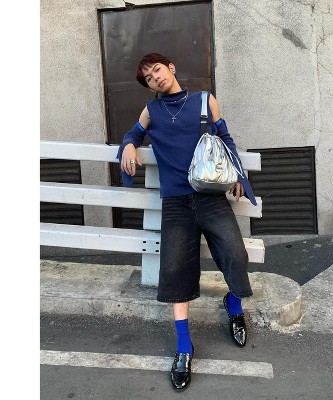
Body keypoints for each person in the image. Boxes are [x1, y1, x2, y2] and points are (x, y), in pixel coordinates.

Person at [117, 53, 257, 391]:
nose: (155, 77)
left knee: (235, 253)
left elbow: (226, 139)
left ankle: (233, 303)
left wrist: (239, 175)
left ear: (171, 68)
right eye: (148, 78)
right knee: (175, 268)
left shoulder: (205, 101)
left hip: (209, 195)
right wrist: (129, 145)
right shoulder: (151, 111)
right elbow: (133, 133)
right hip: (176, 203)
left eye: (157, 70)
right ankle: (184, 346)